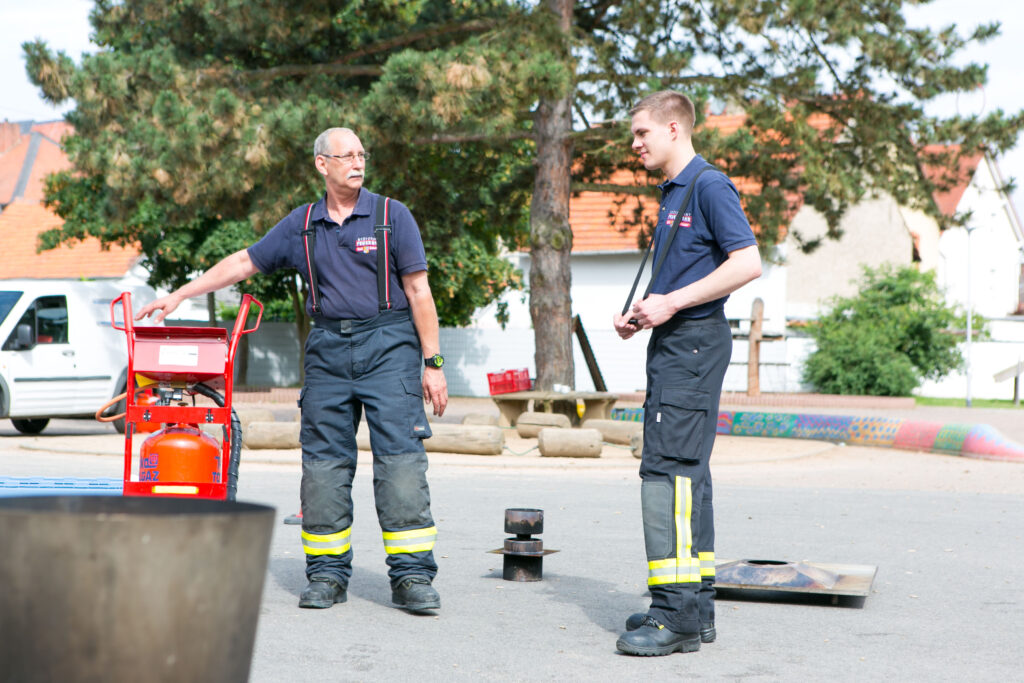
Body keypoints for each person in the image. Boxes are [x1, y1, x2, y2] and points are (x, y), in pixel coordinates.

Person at [136, 127, 449, 614]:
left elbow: (419, 292)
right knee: (323, 464)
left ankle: (411, 577)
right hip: (326, 349)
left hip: (389, 346)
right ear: (322, 164)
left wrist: (432, 364)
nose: (357, 162)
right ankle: (326, 574)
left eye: (362, 154)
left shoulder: (392, 216)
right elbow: (243, 262)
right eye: (346, 155)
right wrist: (181, 294)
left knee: (401, 464)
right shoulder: (302, 225)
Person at [612, 91, 762, 656]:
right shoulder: (675, 191)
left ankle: (672, 617)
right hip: (678, 345)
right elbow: (689, 270)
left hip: (693, 347)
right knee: (688, 478)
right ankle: (693, 611)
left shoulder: (708, 185)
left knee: (667, 474)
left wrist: (671, 304)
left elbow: (747, 262)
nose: (635, 144)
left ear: (674, 129)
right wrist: (647, 312)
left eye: (642, 133)